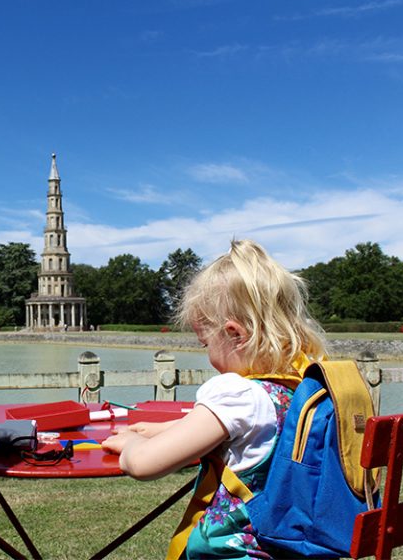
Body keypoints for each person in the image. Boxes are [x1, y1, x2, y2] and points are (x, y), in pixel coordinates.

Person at [102, 239, 327, 559]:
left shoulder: (235, 394)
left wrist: (130, 446)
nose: (207, 355)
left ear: (234, 335)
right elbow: (220, 427)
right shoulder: (295, 391)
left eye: (204, 343)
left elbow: (144, 465)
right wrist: (159, 429)